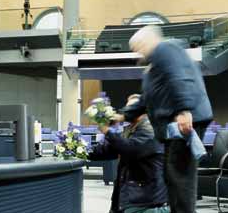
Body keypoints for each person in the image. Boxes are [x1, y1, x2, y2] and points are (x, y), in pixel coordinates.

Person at [114, 26, 213, 213]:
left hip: (182, 121)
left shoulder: (165, 49)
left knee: (180, 179)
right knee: (172, 177)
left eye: (137, 47)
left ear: (147, 41)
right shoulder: (154, 65)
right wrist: (123, 115)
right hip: (173, 126)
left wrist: (184, 109)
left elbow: (180, 78)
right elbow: (145, 99)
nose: (137, 53)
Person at [88, 94, 168, 213]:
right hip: (128, 195)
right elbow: (107, 151)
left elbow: (130, 149)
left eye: (131, 108)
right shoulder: (129, 129)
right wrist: (81, 150)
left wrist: (107, 131)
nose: (126, 112)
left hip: (146, 200)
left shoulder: (150, 128)